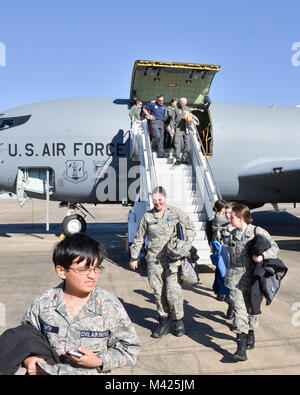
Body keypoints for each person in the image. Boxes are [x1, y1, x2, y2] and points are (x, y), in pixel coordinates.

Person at [21, 233, 141, 375]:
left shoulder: (109, 306)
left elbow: (131, 349)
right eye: (84, 269)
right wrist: (29, 361)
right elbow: (23, 342)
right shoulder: (44, 304)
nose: (92, 275)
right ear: (61, 271)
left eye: (96, 268)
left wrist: (99, 361)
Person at [129, 186, 195, 338]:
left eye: (160, 199)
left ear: (165, 198)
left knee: (173, 291)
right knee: (158, 292)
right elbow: (139, 238)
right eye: (154, 200)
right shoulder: (147, 217)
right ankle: (163, 322)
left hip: (173, 260)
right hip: (154, 260)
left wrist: (185, 245)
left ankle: (178, 321)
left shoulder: (176, 213)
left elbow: (190, 228)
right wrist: (134, 257)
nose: (157, 202)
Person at [224, 204, 279, 362]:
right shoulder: (232, 234)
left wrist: (263, 256)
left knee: (252, 312)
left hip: (253, 280)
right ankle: (240, 349)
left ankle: (251, 333)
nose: (229, 218)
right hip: (235, 281)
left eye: (232, 216)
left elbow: (275, 248)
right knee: (239, 312)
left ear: (241, 218)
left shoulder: (256, 232)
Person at [170, 97, 192, 165]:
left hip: (186, 129)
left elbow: (190, 118)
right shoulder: (176, 109)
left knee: (187, 146)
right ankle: (178, 159)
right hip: (178, 129)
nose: (184, 104)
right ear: (180, 102)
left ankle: (184, 159)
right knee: (177, 144)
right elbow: (172, 120)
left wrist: (190, 120)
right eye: (183, 103)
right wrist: (172, 128)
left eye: (185, 103)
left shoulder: (188, 109)